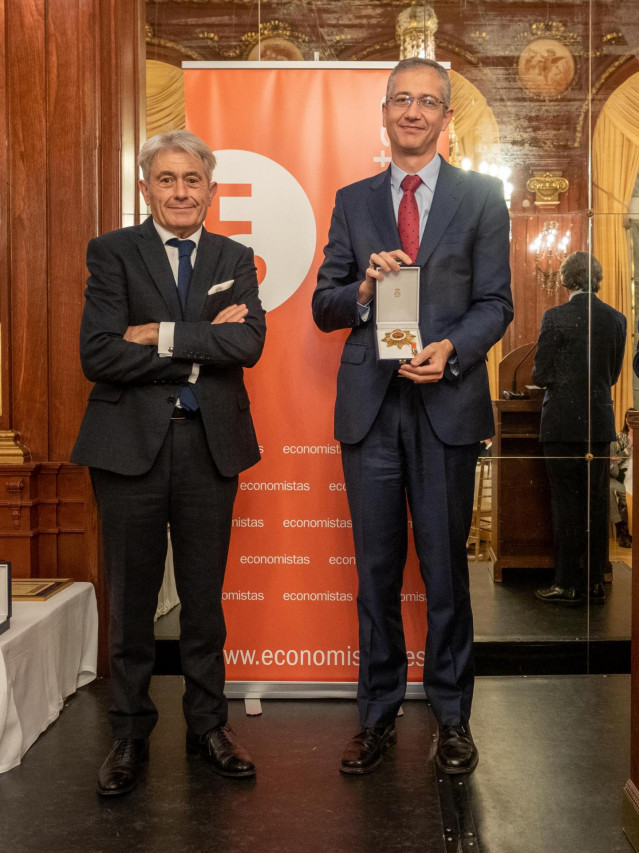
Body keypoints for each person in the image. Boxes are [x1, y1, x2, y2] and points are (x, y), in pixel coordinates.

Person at [312, 58, 513, 776]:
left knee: (443, 569)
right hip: (370, 410)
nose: (414, 112)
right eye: (403, 99)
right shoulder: (351, 200)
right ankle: (376, 714)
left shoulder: (482, 198)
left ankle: (452, 716)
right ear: (385, 111)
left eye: (429, 102)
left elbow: (497, 302)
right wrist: (363, 287)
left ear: (445, 118)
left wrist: (452, 348)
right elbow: (323, 304)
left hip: (445, 405)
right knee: (374, 572)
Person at [71, 130, 266, 796]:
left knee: (205, 602)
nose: (181, 191)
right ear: (145, 187)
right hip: (127, 448)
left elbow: (246, 344)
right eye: (167, 179)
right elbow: (97, 354)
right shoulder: (112, 252)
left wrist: (154, 334)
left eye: (193, 180)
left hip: (209, 444)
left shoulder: (235, 255)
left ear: (211, 189)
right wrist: (196, 350)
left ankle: (208, 726)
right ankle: (128, 734)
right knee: (131, 601)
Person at [533, 251, 625, 606]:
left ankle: (566, 584)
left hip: (560, 426)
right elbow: (613, 375)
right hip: (599, 424)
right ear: (596, 280)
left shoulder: (555, 317)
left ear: (566, 281)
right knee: (597, 502)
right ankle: (596, 583)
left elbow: (540, 375)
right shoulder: (616, 319)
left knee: (566, 504)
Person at [609, 410, 633, 548]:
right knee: (621, 493)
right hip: (622, 474)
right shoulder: (620, 437)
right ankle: (623, 531)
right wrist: (630, 446)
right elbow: (615, 461)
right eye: (628, 418)